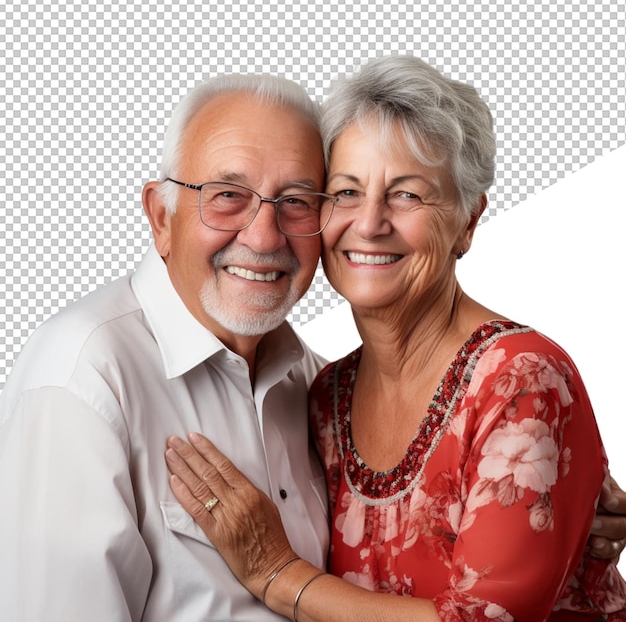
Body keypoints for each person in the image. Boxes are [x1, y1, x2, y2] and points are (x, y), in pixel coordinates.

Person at [164, 55, 626, 621]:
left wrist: (276, 575)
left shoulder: (522, 380)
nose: (370, 223)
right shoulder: (325, 395)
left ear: (468, 221)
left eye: (407, 195)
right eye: (347, 192)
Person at [0, 73, 337, 621]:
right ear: (161, 217)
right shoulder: (82, 380)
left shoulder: (320, 382)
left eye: (296, 202)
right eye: (228, 196)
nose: (265, 236)